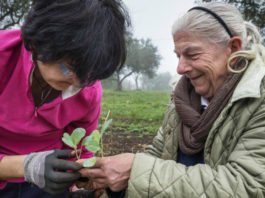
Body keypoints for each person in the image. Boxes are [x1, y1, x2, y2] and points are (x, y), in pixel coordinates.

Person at [77, 2, 265, 197]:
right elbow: (157, 156)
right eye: (178, 56)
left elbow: (247, 185)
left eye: (192, 54)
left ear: (233, 47)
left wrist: (134, 171)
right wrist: (108, 186)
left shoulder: (258, 99)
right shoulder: (182, 98)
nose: (180, 68)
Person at [0, 0, 129, 197]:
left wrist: (78, 185)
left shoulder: (88, 90)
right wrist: (25, 166)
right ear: (37, 43)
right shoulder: (4, 56)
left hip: (49, 180)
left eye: (87, 75)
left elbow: (81, 150)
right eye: (67, 68)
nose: (76, 82)